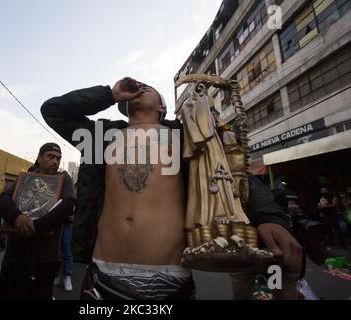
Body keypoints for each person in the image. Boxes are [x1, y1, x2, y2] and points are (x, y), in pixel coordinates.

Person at [41, 77, 302, 300]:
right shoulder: (101, 136)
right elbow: (53, 110)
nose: (141, 87)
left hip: (168, 279)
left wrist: (270, 217)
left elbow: (231, 173)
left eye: (149, 88)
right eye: (136, 87)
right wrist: (110, 94)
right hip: (102, 276)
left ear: (163, 106)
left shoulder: (185, 135)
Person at [0, 143, 76, 300]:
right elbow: (3, 200)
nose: (55, 161)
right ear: (39, 158)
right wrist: (17, 217)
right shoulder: (25, 178)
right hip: (16, 252)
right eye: (50, 157)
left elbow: (67, 205)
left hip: (45, 255)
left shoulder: (63, 179)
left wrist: (35, 226)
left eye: (58, 158)